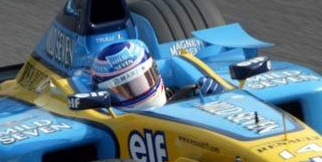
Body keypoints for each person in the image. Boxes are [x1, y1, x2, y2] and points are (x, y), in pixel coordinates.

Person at [89, 39, 226, 110]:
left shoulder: (179, 90)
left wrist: (216, 92)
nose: (140, 89)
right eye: (127, 89)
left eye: (144, 80)